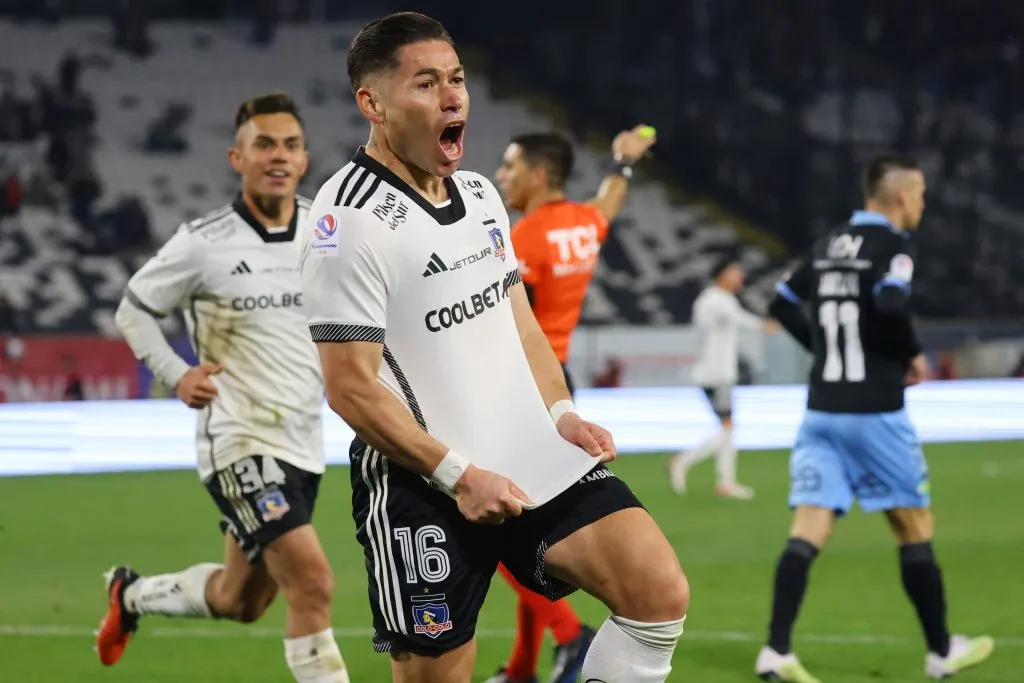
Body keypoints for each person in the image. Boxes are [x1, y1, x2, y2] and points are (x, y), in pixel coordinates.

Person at [301, 12, 689, 683]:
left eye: (456, 79)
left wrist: (563, 412)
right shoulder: (346, 221)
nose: (453, 97)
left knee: (657, 590)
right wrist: (459, 475)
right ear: (373, 102)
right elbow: (350, 387)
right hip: (422, 482)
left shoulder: (480, 196)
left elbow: (522, 326)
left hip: (525, 450)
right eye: (426, 84)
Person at [96, 93, 351, 683]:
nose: (277, 157)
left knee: (244, 600)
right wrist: (176, 373)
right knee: (312, 582)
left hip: (303, 441)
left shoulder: (326, 230)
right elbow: (133, 310)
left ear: (305, 158)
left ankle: (131, 596)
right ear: (238, 157)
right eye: (263, 145)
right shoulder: (202, 242)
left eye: (289, 145)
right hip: (238, 440)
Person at [756, 152, 993, 681]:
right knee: (913, 527)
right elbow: (889, 301)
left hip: (822, 409)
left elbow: (780, 303)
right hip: (876, 411)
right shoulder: (894, 247)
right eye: (922, 196)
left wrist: (823, 351)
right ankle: (940, 652)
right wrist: (909, 354)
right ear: (903, 196)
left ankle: (775, 650)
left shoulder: (828, 243)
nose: (924, 206)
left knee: (807, 529)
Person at [486, 126, 656, 683]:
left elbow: (509, 327)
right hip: (560, 389)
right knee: (526, 521)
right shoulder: (584, 225)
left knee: (495, 530)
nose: (500, 176)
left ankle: (567, 633)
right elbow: (609, 200)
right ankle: (521, 670)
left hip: (520, 392)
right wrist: (624, 162)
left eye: (509, 167)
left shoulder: (525, 238)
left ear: (538, 176)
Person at [668, 257, 779, 500]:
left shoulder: (716, 301)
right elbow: (740, 319)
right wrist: (764, 325)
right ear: (721, 275)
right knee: (728, 428)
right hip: (715, 374)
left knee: (728, 427)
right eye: (734, 272)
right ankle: (684, 461)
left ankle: (725, 481)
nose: (740, 277)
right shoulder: (716, 301)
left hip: (716, 373)